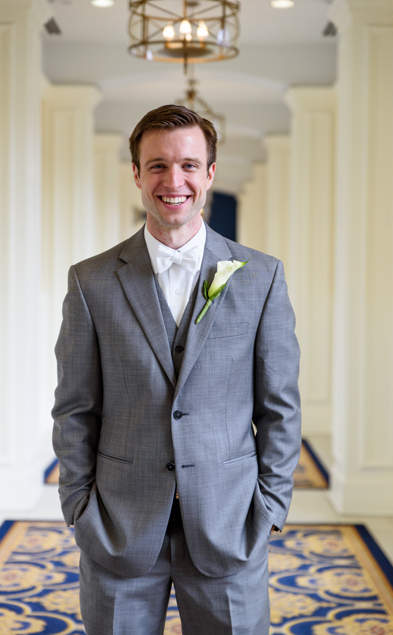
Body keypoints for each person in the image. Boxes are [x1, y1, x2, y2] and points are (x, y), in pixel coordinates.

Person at [52, 105, 301, 634]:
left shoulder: (262, 278)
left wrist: (270, 508)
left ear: (210, 174)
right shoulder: (91, 281)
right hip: (118, 526)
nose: (174, 181)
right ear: (138, 174)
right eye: (158, 165)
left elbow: (279, 408)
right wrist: (79, 507)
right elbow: (75, 408)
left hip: (230, 524)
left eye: (189, 165)